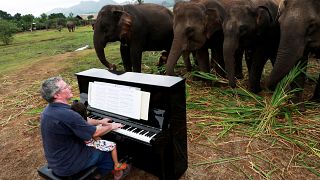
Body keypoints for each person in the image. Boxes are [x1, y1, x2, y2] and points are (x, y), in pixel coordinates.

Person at [40, 76, 127, 179]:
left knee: (96, 144)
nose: (70, 87)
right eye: (65, 87)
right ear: (57, 95)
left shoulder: (48, 110)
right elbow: (95, 133)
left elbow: (82, 120)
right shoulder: (67, 114)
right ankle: (106, 174)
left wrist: (100, 121)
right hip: (69, 165)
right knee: (105, 152)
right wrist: (111, 126)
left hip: (57, 161)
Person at [70, 100, 127, 171]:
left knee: (99, 138)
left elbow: (91, 126)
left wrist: (101, 123)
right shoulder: (82, 123)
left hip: (83, 141)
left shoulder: (73, 119)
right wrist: (110, 125)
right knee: (113, 145)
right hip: (88, 145)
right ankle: (117, 165)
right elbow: (95, 132)